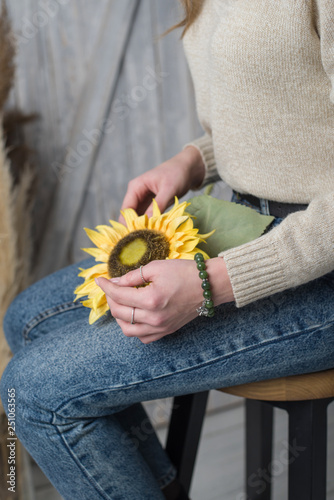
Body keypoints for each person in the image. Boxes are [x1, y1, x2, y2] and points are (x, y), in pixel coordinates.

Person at [1, 1, 334, 499]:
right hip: (250, 223)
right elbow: (291, 114)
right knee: (27, 317)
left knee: (33, 391)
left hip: (319, 268)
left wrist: (211, 282)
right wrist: (192, 160)